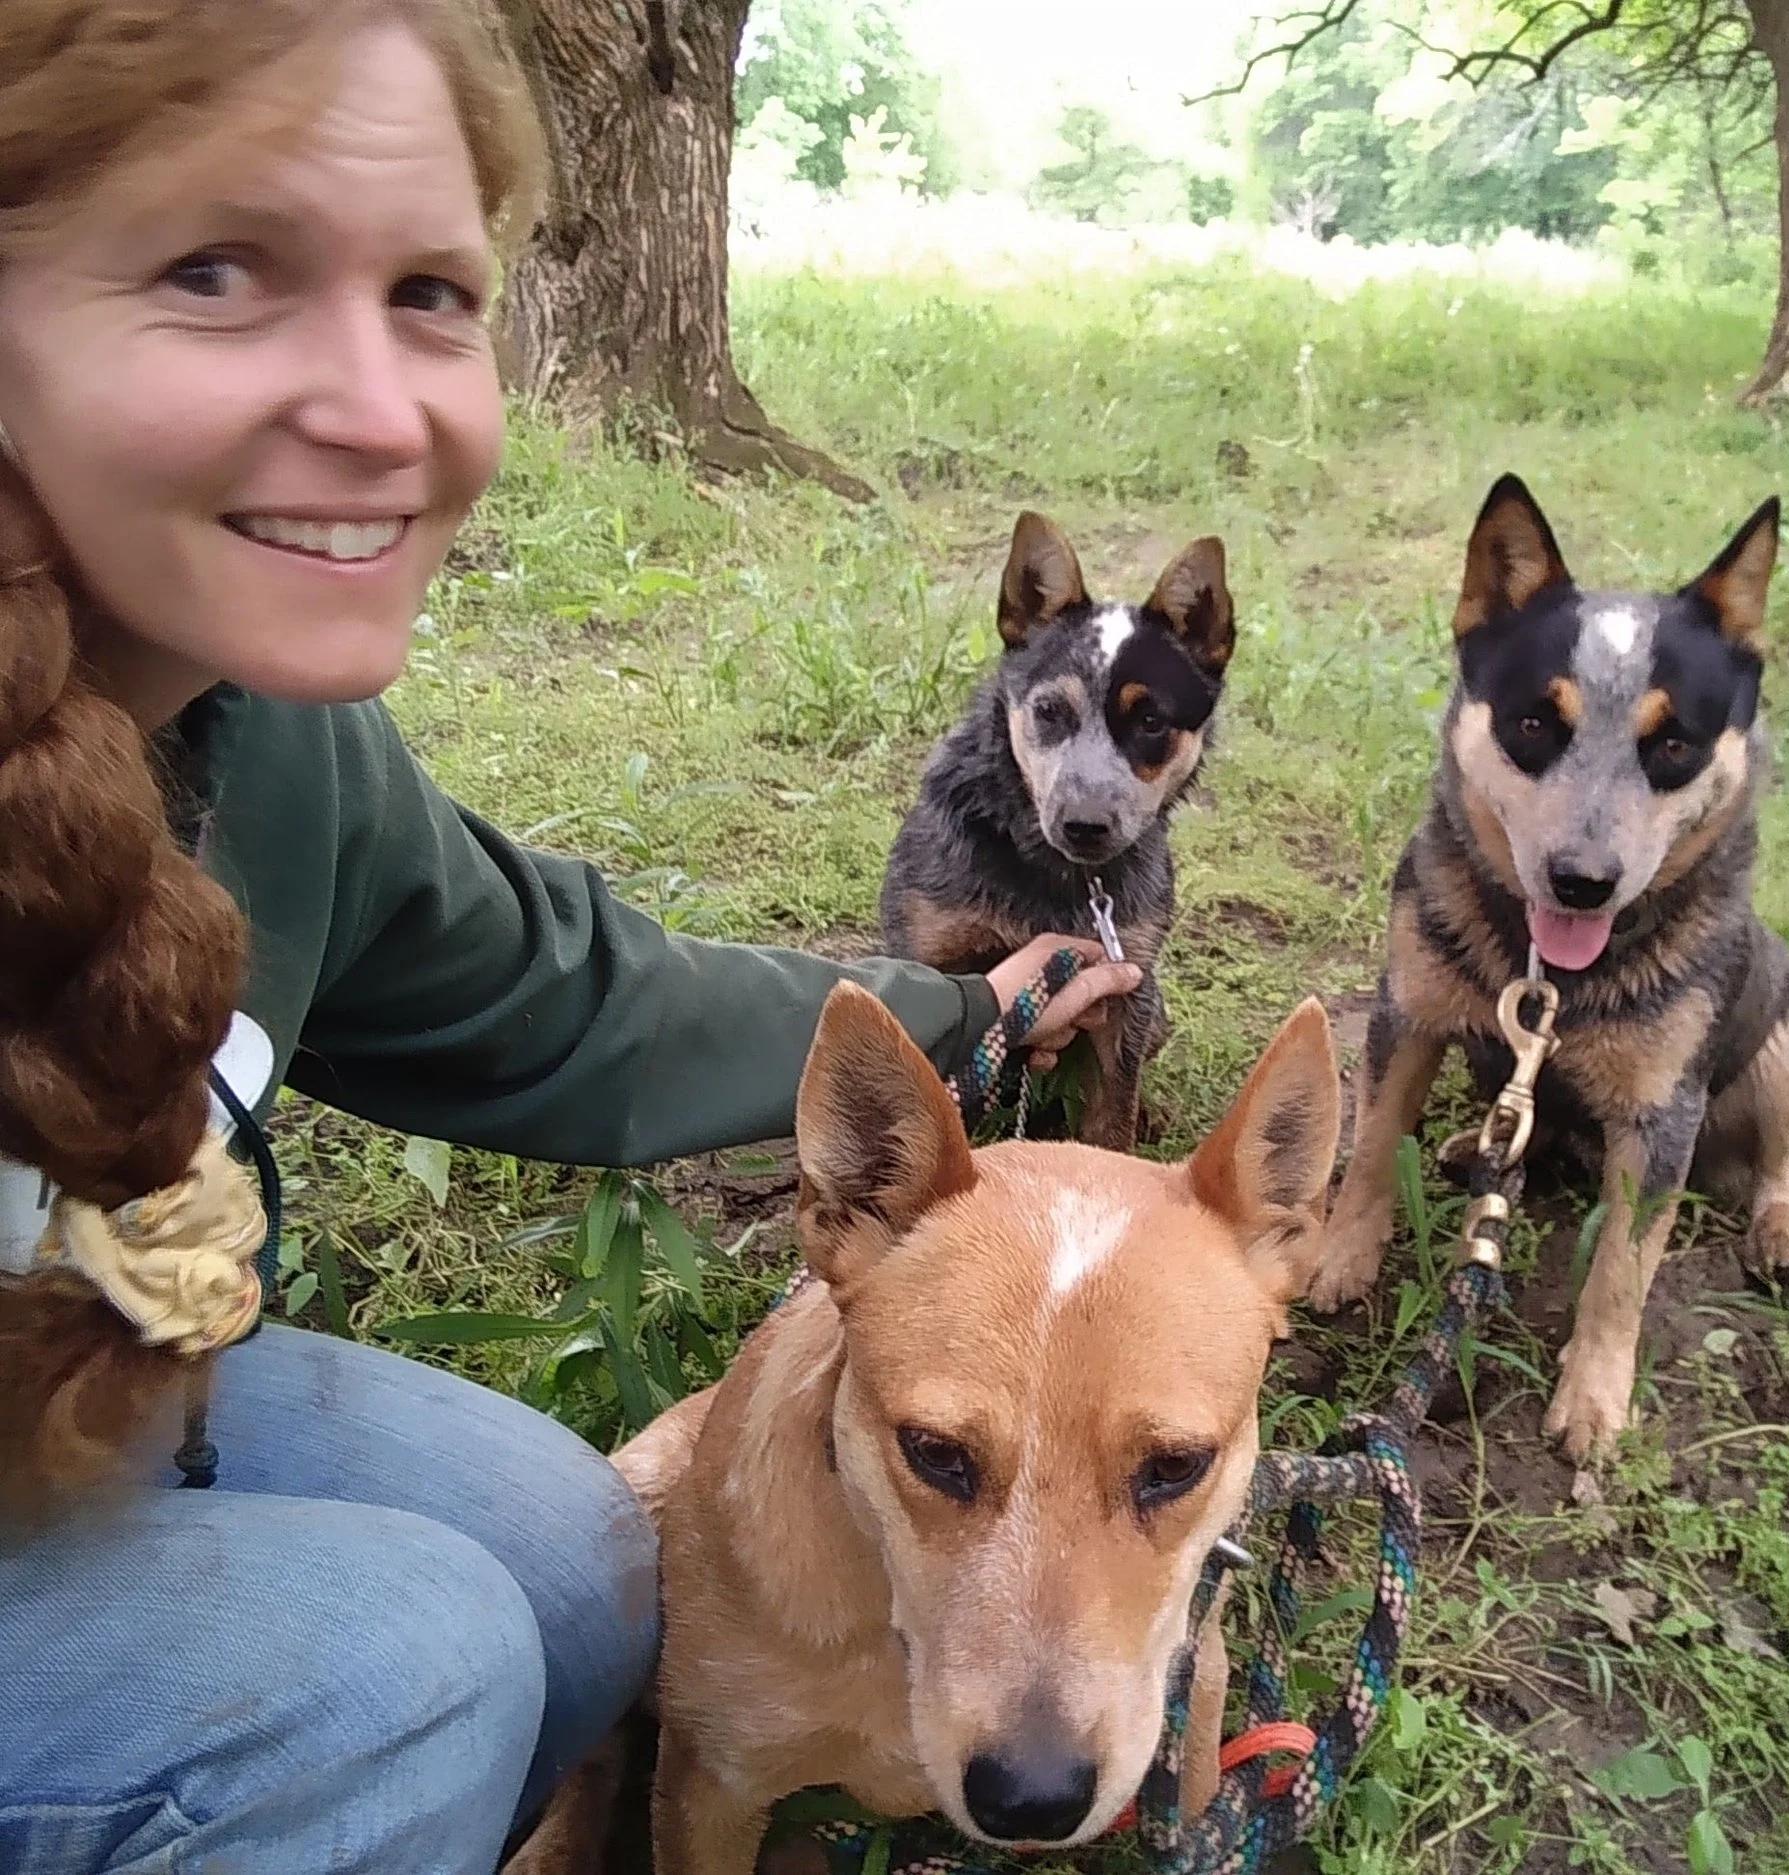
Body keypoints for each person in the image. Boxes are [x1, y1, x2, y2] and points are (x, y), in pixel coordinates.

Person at [0, 6, 1141, 1871]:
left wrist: (959, 1007)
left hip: (79, 1397)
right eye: (216, 270)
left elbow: (580, 1003)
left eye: (433, 294)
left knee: (584, 1559)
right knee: (405, 1680)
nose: (380, 411)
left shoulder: (277, 749)